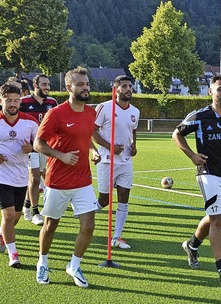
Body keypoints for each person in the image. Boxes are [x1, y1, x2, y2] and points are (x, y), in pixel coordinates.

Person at [172, 74, 221, 282]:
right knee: (217, 220)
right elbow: (177, 134)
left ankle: (191, 245)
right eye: (220, 89)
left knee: (214, 217)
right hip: (207, 174)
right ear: (210, 92)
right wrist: (192, 155)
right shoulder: (199, 116)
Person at [33, 66, 100, 288]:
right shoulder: (56, 113)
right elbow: (38, 144)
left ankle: (74, 264)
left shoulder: (91, 113)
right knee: (51, 225)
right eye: (80, 84)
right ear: (69, 87)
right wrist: (60, 155)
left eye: (87, 84)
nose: (85, 88)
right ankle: (42, 262)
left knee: (89, 225)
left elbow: (86, 135)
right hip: (58, 180)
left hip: (83, 180)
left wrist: (93, 150)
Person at [0, 83, 39, 267]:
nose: (13, 104)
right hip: (0, 176)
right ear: (0, 100)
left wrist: (32, 147)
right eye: (9, 100)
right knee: (9, 215)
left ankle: (1, 232)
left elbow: (41, 142)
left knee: (15, 217)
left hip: (21, 176)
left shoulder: (30, 122)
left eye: (16, 100)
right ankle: (14, 255)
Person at [92, 75, 140, 249]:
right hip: (107, 160)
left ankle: (117, 236)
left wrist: (134, 147)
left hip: (125, 162)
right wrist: (109, 146)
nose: (128, 89)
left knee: (124, 199)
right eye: (125, 86)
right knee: (104, 200)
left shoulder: (135, 111)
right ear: (116, 88)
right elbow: (93, 131)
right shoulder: (104, 108)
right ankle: (83, 213)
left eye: (130, 86)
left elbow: (133, 132)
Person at [20, 74, 58, 225]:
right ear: (35, 85)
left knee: (40, 179)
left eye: (48, 84)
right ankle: (36, 211)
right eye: (43, 84)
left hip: (45, 147)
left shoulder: (52, 102)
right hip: (30, 147)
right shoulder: (24, 102)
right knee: (35, 178)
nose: (47, 87)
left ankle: (27, 205)